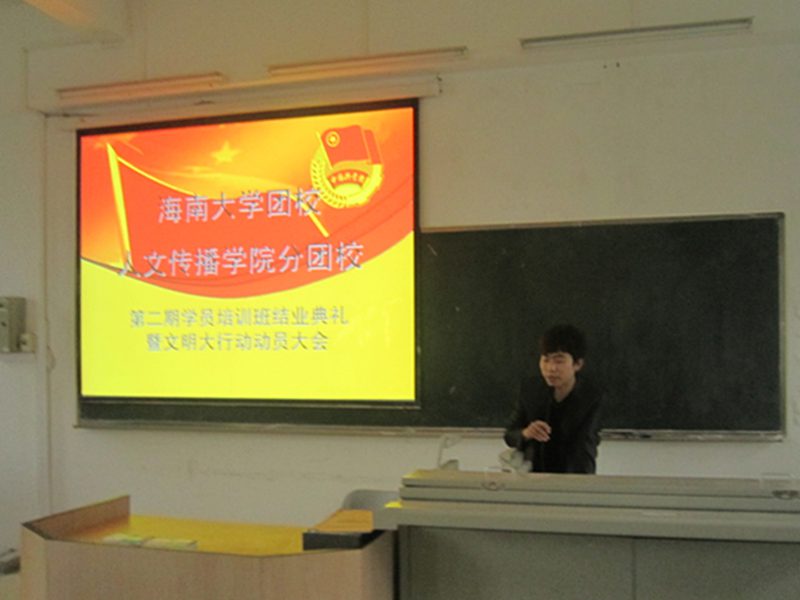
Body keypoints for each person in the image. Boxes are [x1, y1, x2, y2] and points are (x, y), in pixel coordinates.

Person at [503, 324, 602, 474]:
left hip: (573, 476)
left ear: (577, 364)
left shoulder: (591, 397)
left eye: (559, 361)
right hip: (531, 476)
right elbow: (510, 435)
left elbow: (584, 447)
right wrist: (526, 433)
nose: (551, 368)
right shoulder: (530, 390)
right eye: (546, 360)